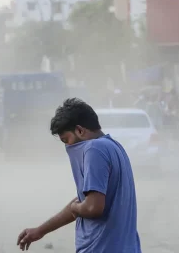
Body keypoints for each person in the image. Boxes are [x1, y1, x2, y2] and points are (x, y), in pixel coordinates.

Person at [17, 98, 141, 252]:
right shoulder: (114, 147)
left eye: (66, 140)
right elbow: (85, 201)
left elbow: (92, 207)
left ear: (80, 131)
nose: (68, 147)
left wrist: (76, 207)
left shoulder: (94, 149)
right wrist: (40, 230)